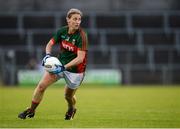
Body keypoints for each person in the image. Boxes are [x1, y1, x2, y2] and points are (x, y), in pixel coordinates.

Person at [18, 8, 88, 120]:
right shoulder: (62, 31)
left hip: (76, 71)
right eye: (75, 19)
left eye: (79, 19)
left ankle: (71, 108)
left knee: (68, 96)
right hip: (60, 64)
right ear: (68, 20)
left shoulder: (82, 36)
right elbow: (49, 44)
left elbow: (80, 58)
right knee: (41, 86)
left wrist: (63, 67)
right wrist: (47, 55)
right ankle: (31, 110)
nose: (77, 22)